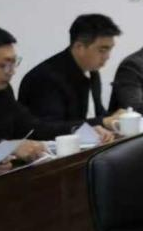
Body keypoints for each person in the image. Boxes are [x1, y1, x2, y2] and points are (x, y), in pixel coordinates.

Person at [18, 13, 122, 141]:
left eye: (110, 50)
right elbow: (47, 129)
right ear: (79, 47)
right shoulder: (45, 78)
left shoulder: (92, 71)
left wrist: (114, 117)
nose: (107, 57)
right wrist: (102, 121)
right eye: (102, 50)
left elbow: (96, 113)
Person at [0, 25, 46, 169]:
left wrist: (83, 127)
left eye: (13, 64)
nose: (11, 72)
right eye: (3, 65)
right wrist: (4, 148)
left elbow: (32, 127)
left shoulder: (1, 92)